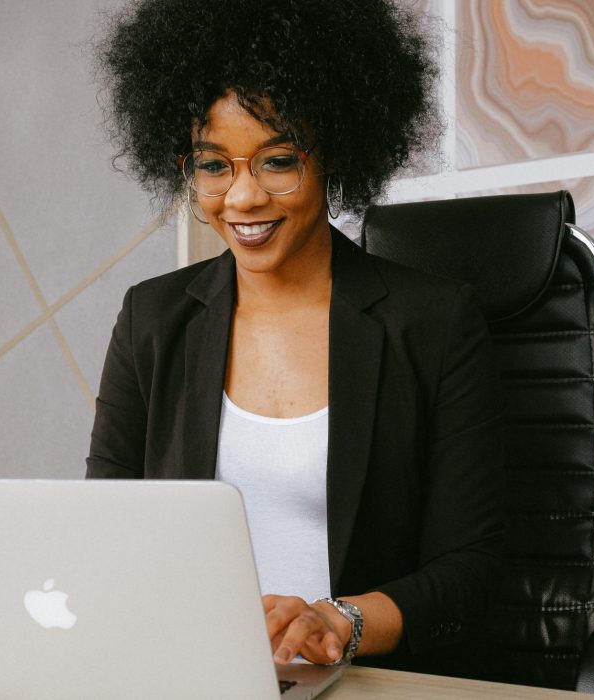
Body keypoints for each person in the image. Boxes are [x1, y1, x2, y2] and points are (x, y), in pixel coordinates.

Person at [86, 0, 504, 674]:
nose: (242, 198)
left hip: (366, 680)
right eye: (214, 165)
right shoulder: (154, 318)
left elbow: (473, 570)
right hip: (191, 673)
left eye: (277, 162)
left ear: (334, 151)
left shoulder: (434, 322)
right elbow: (106, 527)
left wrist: (342, 619)